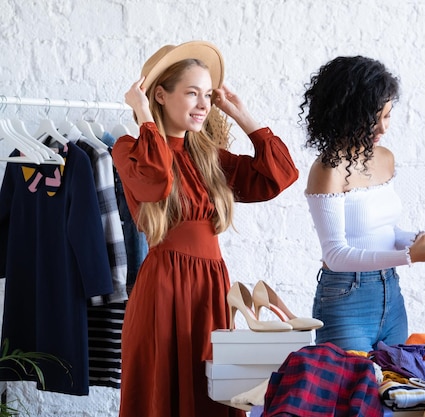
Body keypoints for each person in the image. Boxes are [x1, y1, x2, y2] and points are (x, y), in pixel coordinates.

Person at [111, 41, 298, 417]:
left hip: (212, 289)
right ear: (160, 95)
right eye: (192, 93)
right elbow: (155, 180)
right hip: (164, 288)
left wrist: (242, 115)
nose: (203, 104)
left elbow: (279, 176)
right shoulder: (130, 148)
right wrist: (143, 114)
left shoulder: (209, 157)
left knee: (213, 393)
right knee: (162, 393)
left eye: (208, 95)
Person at [300, 56, 425, 353]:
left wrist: (423, 239)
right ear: (346, 114)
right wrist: (410, 255)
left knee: (394, 394)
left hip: (391, 296)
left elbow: (386, 231)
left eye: (388, 115)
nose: (383, 127)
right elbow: (335, 255)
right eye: (374, 117)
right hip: (345, 300)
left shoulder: (384, 159)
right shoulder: (327, 171)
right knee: (353, 394)